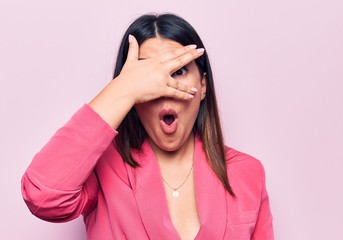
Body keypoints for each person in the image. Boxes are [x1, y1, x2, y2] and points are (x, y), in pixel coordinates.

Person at [21, 13, 273, 240]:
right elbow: (42, 195)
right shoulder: (102, 169)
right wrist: (125, 88)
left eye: (178, 71)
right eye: (148, 76)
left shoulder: (248, 173)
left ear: (203, 86)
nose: (163, 88)